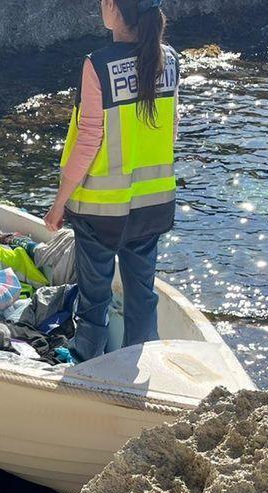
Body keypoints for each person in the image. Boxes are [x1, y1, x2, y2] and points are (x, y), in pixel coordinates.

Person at [44, 0, 180, 362]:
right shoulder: (170, 60)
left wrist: (60, 202)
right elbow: (172, 131)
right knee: (141, 289)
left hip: (101, 207)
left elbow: (89, 139)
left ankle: (88, 355)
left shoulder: (98, 64)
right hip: (153, 202)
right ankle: (140, 356)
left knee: (95, 291)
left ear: (119, 13)